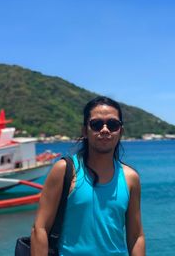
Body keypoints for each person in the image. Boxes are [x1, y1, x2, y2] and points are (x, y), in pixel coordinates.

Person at [31, 96, 145, 255]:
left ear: (121, 131)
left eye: (112, 125)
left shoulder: (130, 178)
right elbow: (40, 229)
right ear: (85, 130)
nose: (105, 130)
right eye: (97, 124)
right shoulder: (64, 170)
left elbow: (136, 236)